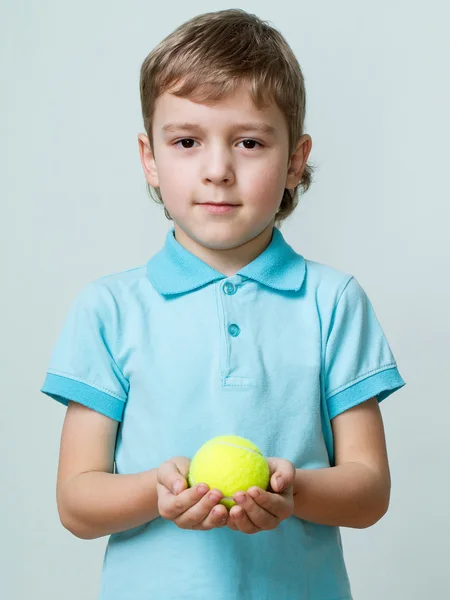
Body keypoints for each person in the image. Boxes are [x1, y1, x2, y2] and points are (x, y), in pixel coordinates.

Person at [40, 8, 406, 600]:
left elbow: (369, 492)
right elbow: (77, 502)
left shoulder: (334, 301)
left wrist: (297, 494)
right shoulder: (107, 308)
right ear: (149, 158)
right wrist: (154, 495)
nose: (217, 171)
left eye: (249, 142)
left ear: (294, 159)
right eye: (187, 141)